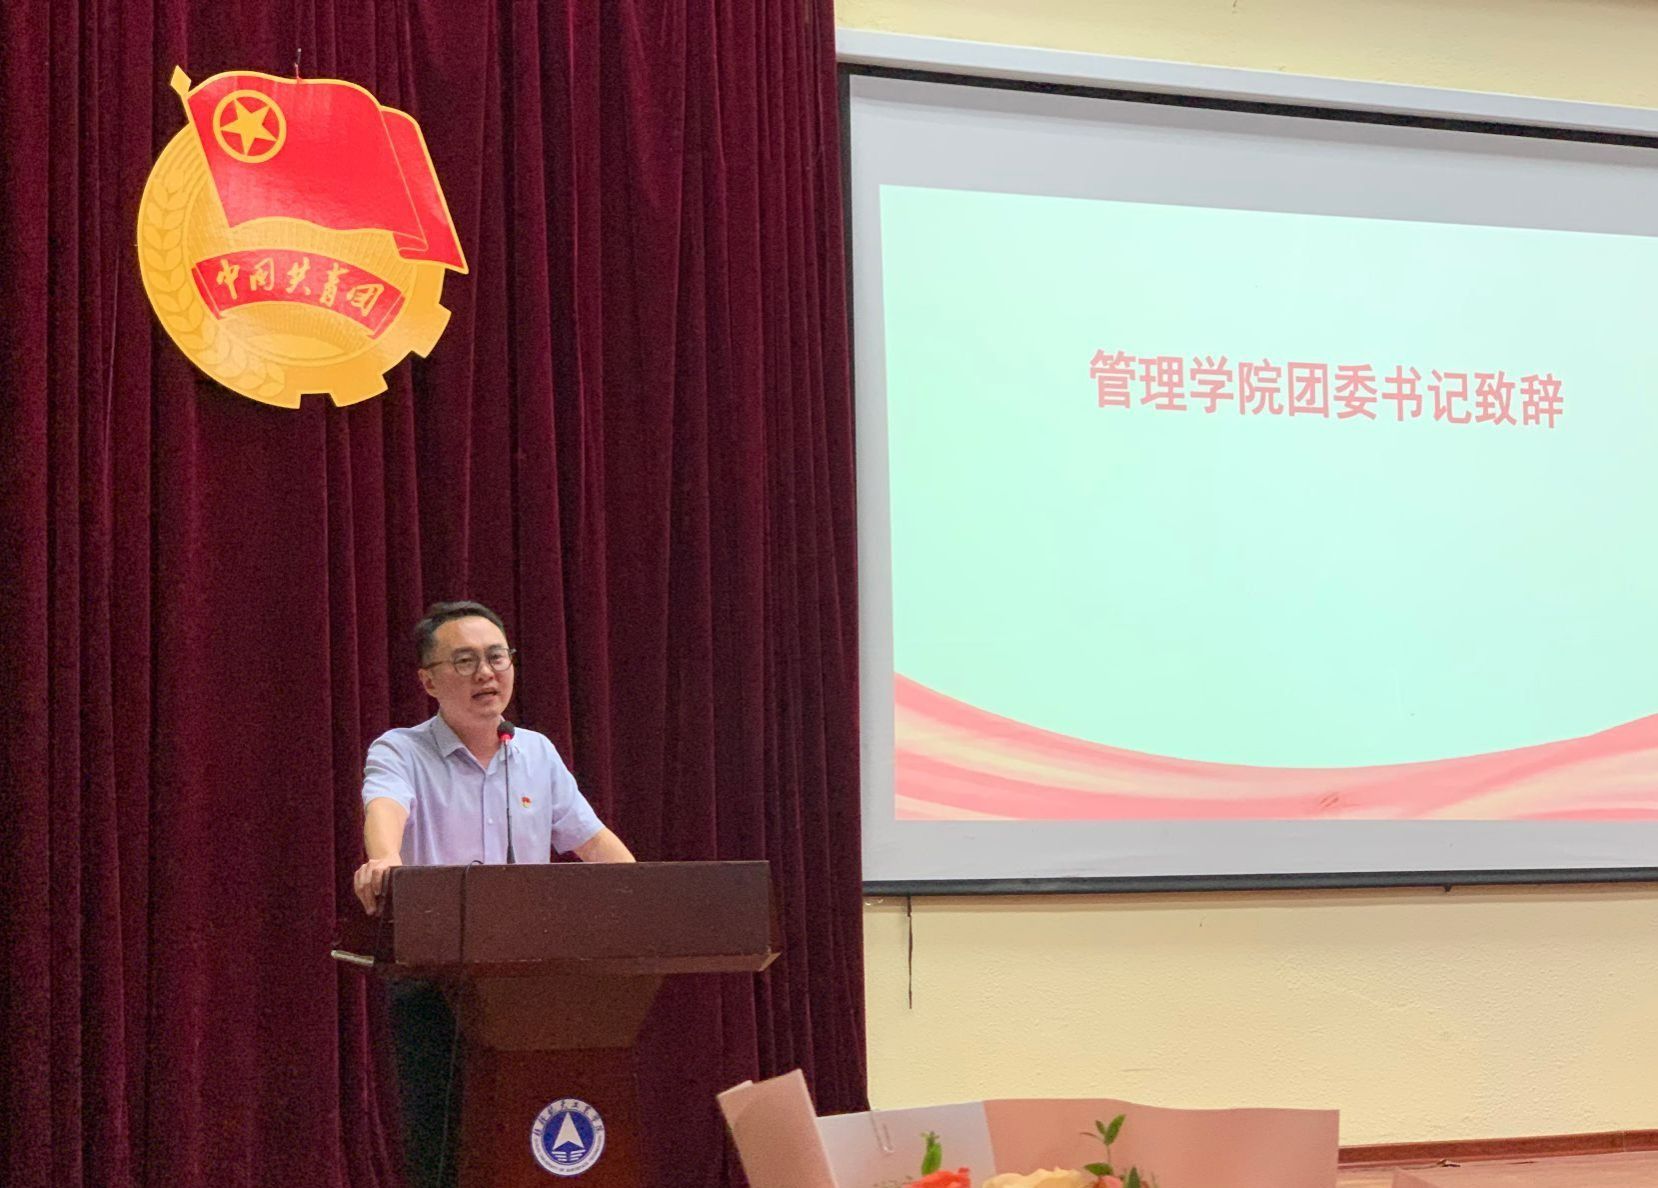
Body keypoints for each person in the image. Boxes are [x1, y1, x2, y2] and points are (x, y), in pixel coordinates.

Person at [352, 599, 634, 1188]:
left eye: (497, 657)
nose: (486, 673)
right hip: (435, 984)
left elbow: (592, 841)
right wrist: (384, 858)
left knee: (527, 1133)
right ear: (429, 681)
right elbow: (386, 807)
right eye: (465, 661)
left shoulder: (536, 753)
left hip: (530, 985)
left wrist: (645, 896)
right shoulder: (400, 750)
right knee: (445, 1148)